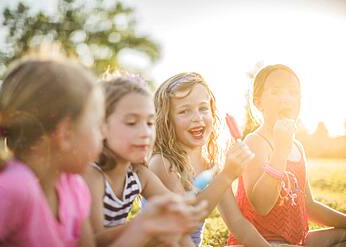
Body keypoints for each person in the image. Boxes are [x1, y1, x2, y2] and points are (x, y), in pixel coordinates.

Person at [0, 57, 103, 246]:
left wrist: (143, 228)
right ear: (65, 134)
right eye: (97, 125)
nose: (102, 136)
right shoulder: (13, 190)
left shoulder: (73, 187)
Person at [83, 72, 208, 246]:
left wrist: (178, 214)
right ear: (102, 127)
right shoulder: (92, 176)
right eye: (132, 123)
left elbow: (175, 217)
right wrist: (144, 224)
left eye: (149, 123)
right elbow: (93, 241)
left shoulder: (139, 175)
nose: (145, 133)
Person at [227, 64, 346, 247]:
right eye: (276, 92)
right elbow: (261, 205)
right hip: (261, 241)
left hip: (295, 241)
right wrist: (280, 151)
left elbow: (309, 204)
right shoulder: (256, 142)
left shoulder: (297, 146)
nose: (286, 99)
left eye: (293, 92)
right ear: (259, 103)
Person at [150, 72, 271, 246]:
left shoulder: (211, 166)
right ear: (167, 120)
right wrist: (227, 175)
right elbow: (186, 218)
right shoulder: (162, 163)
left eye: (203, 108)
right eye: (184, 111)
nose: (197, 117)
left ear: (213, 113)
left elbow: (237, 223)